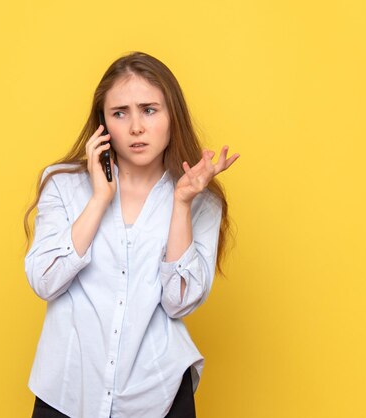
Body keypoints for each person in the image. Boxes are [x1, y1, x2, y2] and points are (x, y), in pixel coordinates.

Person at [23, 51, 239, 418]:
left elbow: (179, 301)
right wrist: (100, 199)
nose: (136, 127)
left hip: (158, 394)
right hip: (68, 391)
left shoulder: (200, 199)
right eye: (120, 113)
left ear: (173, 116)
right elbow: (44, 280)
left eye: (149, 110)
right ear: (103, 124)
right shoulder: (62, 185)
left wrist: (182, 203)